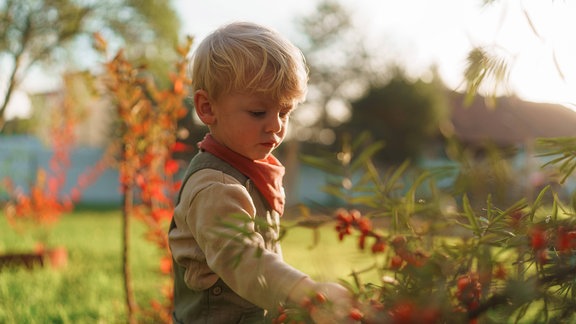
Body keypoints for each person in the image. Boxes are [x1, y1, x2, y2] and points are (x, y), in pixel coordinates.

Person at [168, 21, 354, 323]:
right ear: (207, 108)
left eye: (284, 112)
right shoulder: (214, 186)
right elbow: (241, 258)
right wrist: (304, 292)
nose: (276, 125)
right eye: (258, 112)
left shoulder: (249, 169)